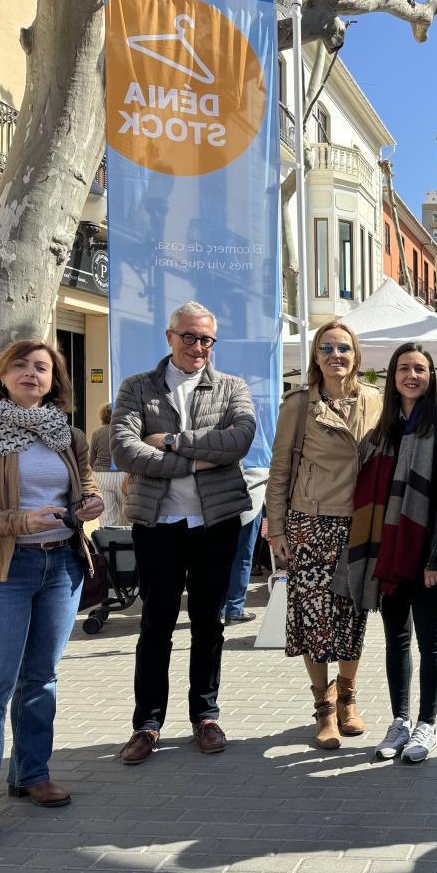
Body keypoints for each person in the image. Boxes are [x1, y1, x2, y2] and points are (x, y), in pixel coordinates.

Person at [0, 340, 104, 860]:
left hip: (61, 566)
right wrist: (17, 521)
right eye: (21, 365)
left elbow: (87, 484)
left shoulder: (67, 434)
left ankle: (32, 774)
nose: (32, 373)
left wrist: (89, 501)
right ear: (2, 375)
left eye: (43, 367)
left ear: (55, 380)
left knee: (41, 679)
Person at [112, 302, 255, 765]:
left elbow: (240, 441)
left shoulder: (232, 386)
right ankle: (147, 724)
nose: (199, 348)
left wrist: (172, 443)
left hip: (216, 524)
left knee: (210, 623)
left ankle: (205, 716)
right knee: (155, 626)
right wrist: (199, 459)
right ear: (169, 337)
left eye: (207, 340)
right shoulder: (137, 387)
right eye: (190, 338)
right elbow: (124, 449)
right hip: (158, 526)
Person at [334, 344, 437, 764]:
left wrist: (436, 559)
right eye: (405, 368)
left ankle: (427, 724)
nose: (413, 375)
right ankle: (401, 720)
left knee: (430, 639)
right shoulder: (380, 433)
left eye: (421, 369)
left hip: (426, 553)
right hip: (386, 553)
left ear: (431, 377)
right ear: (393, 376)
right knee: (396, 641)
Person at [265, 321, 382, 750]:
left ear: (356, 357)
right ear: (316, 357)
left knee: (354, 616)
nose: (336, 354)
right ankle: (323, 707)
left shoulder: (374, 400)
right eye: (327, 347)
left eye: (344, 348)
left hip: (360, 524)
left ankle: (348, 697)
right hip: (311, 522)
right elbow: (280, 470)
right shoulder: (298, 404)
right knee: (313, 620)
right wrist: (276, 528)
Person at [221, 465, 269, 625]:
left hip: (220, 495)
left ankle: (219, 608)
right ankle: (234, 609)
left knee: (221, 555)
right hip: (252, 489)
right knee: (242, 556)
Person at [88, 402, 127, 526]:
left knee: (106, 515)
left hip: (101, 475)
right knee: (126, 512)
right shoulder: (127, 431)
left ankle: (109, 543)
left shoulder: (97, 433)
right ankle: (128, 542)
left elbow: (91, 459)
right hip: (124, 475)